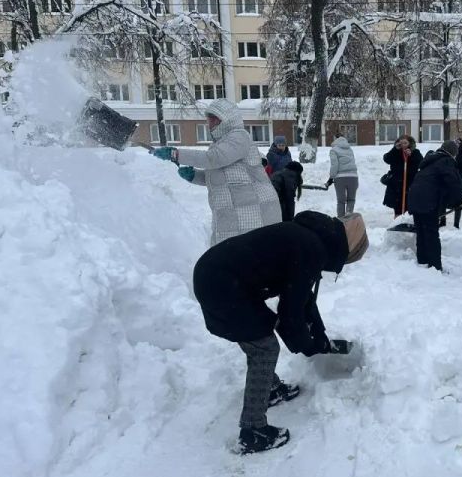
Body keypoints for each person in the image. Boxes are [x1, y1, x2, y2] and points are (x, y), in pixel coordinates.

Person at [192, 211, 369, 454]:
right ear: (344, 251)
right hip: (222, 285)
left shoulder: (311, 238)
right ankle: (253, 430)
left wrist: (320, 336)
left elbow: (303, 298)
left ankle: (270, 389)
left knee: (257, 339)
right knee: (264, 348)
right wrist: (307, 346)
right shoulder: (311, 250)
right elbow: (290, 313)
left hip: (216, 274)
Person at [152, 99, 281, 246]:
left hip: (255, 209)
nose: (211, 123)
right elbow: (220, 177)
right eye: (209, 119)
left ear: (228, 119)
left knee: (248, 254)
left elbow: (214, 159)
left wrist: (176, 154)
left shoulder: (239, 137)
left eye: (215, 119)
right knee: (230, 254)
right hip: (232, 212)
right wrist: (195, 176)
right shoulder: (220, 144)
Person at [407, 141, 462, 271]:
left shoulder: (430, 161)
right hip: (428, 201)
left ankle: (422, 261)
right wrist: (458, 202)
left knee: (421, 232)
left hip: (415, 199)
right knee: (431, 234)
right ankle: (435, 267)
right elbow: (454, 183)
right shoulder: (446, 161)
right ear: (452, 153)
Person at [382, 135, 423, 217]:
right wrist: (394, 149)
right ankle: (397, 221)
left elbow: (421, 163)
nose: (403, 145)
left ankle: (407, 220)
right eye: (401, 143)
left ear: (410, 143)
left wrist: (411, 155)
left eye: (405, 143)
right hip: (396, 184)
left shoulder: (415, 152)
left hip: (410, 182)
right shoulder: (395, 152)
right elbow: (387, 159)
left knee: (409, 205)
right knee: (397, 206)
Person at [327, 132, 359, 218]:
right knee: (351, 200)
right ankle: (348, 218)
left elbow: (335, 165)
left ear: (335, 139)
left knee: (341, 201)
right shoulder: (350, 149)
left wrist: (331, 178)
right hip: (353, 177)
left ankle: (341, 221)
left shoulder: (334, 150)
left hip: (340, 178)